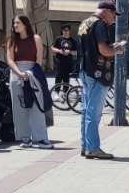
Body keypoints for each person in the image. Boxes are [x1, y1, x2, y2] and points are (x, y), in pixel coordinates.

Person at [78, 0, 124, 160]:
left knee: (86, 111)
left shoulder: (85, 23)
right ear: (105, 11)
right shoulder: (99, 25)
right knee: (94, 113)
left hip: (85, 71)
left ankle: (85, 145)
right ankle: (93, 148)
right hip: (97, 73)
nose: (113, 18)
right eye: (113, 14)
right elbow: (104, 50)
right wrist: (116, 49)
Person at [5, 15, 51, 149]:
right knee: (20, 108)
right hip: (16, 75)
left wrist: (29, 73)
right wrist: (19, 73)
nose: (15, 25)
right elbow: (10, 60)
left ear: (25, 24)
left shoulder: (36, 38)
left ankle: (41, 138)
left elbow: (39, 60)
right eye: (14, 23)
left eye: (17, 23)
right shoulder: (11, 41)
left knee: (37, 106)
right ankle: (25, 138)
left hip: (33, 74)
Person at [51, 23, 78, 92]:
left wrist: (69, 52)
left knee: (66, 78)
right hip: (59, 61)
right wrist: (59, 51)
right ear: (62, 31)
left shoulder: (73, 41)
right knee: (58, 77)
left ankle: (65, 93)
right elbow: (52, 48)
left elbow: (76, 52)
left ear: (69, 31)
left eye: (67, 30)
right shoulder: (58, 39)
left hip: (68, 62)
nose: (65, 32)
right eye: (64, 30)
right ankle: (56, 93)